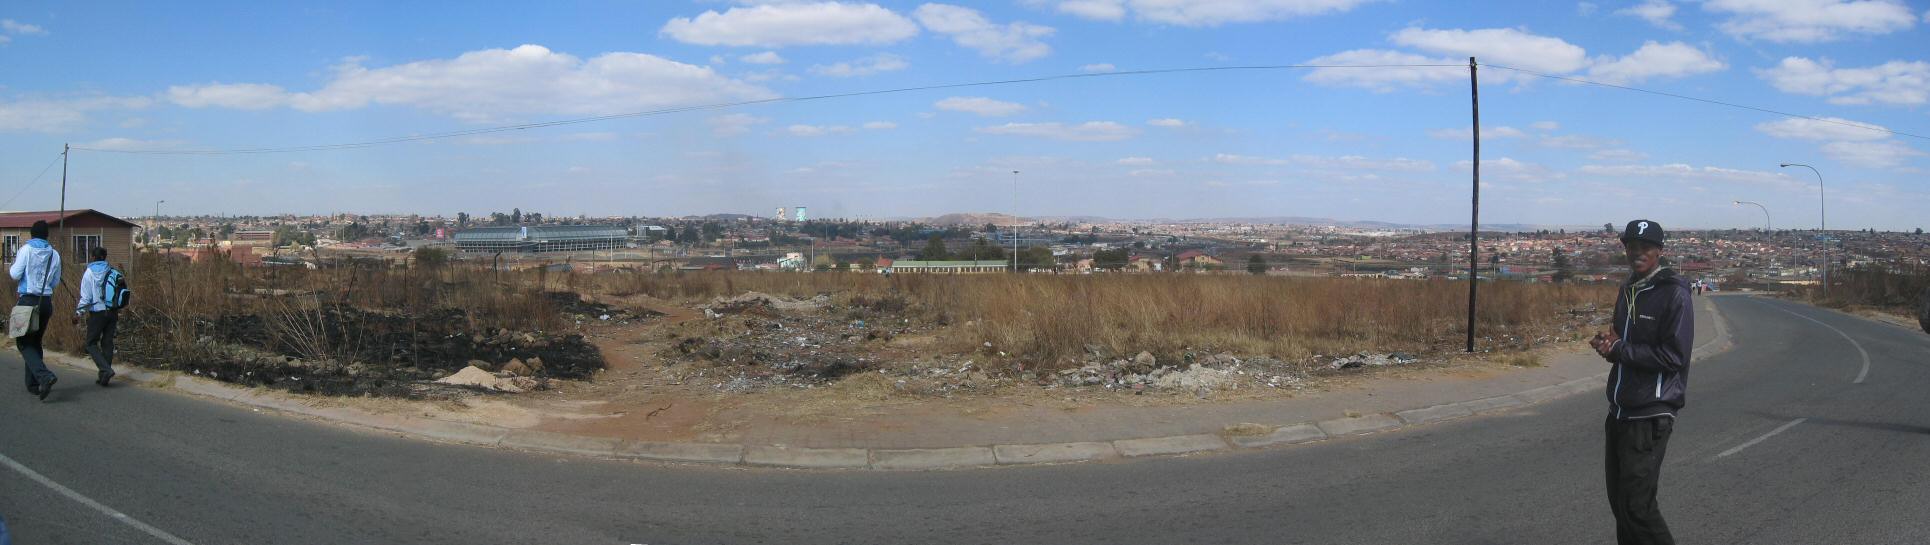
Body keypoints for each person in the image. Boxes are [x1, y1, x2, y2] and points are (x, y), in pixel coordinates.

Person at [1590, 219, 1694, 545]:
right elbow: (1625, 344)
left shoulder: (1673, 293)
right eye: (1631, 246)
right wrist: (1610, 348)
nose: (1637, 253)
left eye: (1645, 247)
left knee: (1638, 506)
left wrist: (1622, 349)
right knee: (1622, 505)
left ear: (1659, 251)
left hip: (1650, 414)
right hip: (1620, 410)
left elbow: (1674, 357)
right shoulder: (1628, 288)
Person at [11, 220, 62, 401]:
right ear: (47, 234)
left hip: (27, 300)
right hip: (46, 302)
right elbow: (55, 282)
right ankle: (33, 385)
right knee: (35, 342)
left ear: (32, 234)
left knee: (23, 342)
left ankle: (44, 376)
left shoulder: (26, 250)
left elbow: (15, 274)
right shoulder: (54, 254)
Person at [75, 245, 120, 386]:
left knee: (90, 343)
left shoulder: (89, 273)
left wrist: (78, 313)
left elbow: (86, 298)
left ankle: (106, 369)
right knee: (107, 343)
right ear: (105, 257)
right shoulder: (113, 271)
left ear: (93, 257)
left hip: (97, 312)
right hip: (112, 312)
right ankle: (104, 377)